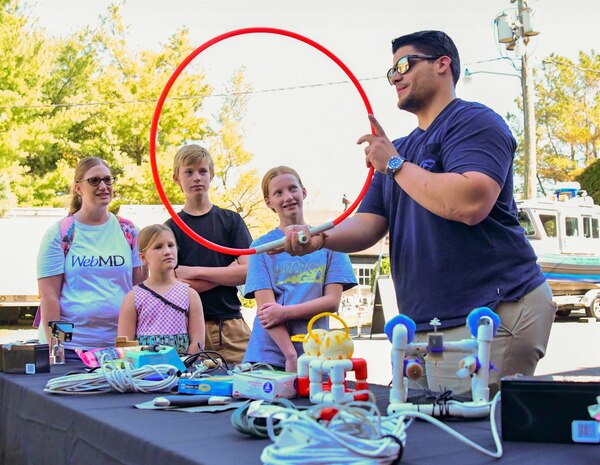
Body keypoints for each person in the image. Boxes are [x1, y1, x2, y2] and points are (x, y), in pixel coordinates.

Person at [282, 30, 556, 395]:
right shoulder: (401, 149)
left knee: (476, 438)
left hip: (492, 311)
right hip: (424, 324)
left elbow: (470, 203)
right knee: (431, 439)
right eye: (390, 71)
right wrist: (319, 238)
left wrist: (394, 164)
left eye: (404, 64)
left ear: (443, 64)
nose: (395, 76)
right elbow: (368, 224)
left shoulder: (473, 122)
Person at [243, 166, 357, 372]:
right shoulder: (261, 247)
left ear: (303, 192)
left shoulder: (329, 241)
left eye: (292, 189)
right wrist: (290, 355)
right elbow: (267, 311)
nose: (287, 197)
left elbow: (332, 302)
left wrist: (285, 312)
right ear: (268, 202)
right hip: (269, 355)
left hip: (316, 353)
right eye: (278, 193)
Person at [37, 156, 146, 357]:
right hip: (74, 349)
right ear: (78, 188)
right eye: (94, 180)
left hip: (120, 348)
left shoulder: (129, 231)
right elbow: (50, 296)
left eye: (108, 179)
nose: (103, 186)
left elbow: (139, 293)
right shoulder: (61, 233)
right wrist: (57, 350)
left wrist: (132, 346)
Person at [165, 144, 252, 365]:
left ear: (211, 175)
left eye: (203, 171)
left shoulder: (231, 220)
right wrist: (228, 272)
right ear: (177, 178)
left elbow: (248, 272)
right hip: (186, 329)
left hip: (231, 327)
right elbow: (173, 286)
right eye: (189, 172)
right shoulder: (170, 229)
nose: (197, 178)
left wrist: (195, 272)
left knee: (248, 383)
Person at [117, 224, 205, 355]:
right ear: (143, 257)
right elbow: (124, 343)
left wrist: (184, 366)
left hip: (182, 370)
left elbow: (198, 342)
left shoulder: (190, 295)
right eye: (158, 247)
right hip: (143, 371)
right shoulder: (133, 297)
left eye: (171, 245)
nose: (167, 252)